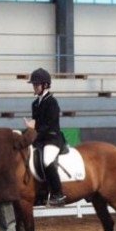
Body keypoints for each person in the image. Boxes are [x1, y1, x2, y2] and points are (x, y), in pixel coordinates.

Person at [27, 67, 66, 206]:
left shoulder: (52, 102)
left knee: (46, 160)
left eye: (36, 84)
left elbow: (49, 125)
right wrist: (30, 129)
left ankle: (58, 194)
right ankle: (40, 192)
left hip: (52, 138)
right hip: (39, 139)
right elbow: (36, 123)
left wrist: (35, 131)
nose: (34, 87)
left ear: (45, 85)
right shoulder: (35, 103)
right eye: (33, 84)